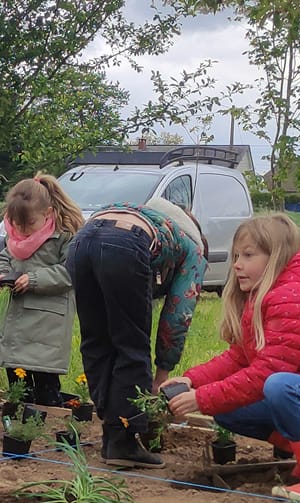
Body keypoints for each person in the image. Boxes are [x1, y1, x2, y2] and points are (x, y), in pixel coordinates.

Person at [161, 213, 300, 503]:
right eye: (237, 255)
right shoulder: (265, 295)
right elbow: (238, 358)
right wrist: (192, 380)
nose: (237, 264)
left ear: (276, 258)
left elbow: (268, 374)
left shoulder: (291, 298)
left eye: (248, 255)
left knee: (280, 385)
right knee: (228, 408)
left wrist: (200, 398)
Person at [67, 194, 207, 469]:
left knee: (97, 341)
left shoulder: (145, 214)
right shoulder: (193, 248)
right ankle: (124, 440)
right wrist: (162, 374)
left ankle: (112, 432)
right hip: (125, 246)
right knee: (131, 346)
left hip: (81, 242)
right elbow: (178, 314)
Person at [0, 173, 83, 407]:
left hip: (47, 325)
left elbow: (71, 271)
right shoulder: (14, 237)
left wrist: (34, 279)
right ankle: (21, 424)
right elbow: (4, 258)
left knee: (45, 384)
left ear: (48, 213)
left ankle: (48, 422)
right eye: (17, 224)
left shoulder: (65, 236)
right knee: (18, 385)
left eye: (29, 224)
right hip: (17, 322)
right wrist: (0, 275)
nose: (23, 230)